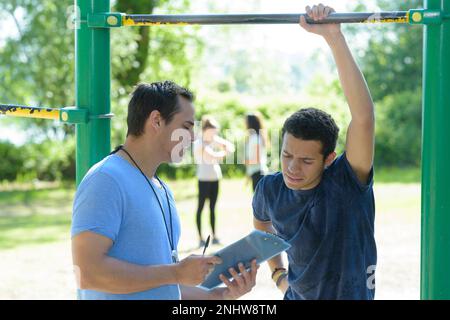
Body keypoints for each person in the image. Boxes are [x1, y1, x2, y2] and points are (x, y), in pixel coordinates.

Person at [71, 81, 257, 300]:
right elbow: (89, 274)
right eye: (187, 126)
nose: (194, 136)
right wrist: (176, 272)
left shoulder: (162, 189)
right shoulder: (106, 179)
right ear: (157, 120)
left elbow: (163, 284)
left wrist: (219, 295)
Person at [253, 4, 376, 300]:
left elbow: (364, 118)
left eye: (307, 160)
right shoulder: (270, 189)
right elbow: (261, 224)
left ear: (329, 159)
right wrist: (278, 274)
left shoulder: (346, 181)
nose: (293, 168)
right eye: (287, 156)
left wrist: (334, 38)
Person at [193, 116, 235, 248]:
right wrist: (223, 153)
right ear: (206, 130)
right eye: (213, 131)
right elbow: (211, 155)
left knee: (212, 208)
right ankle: (200, 237)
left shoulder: (212, 140)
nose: (214, 134)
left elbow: (230, 147)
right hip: (203, 179)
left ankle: (214, 236)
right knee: (201, 208)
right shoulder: (199, 143)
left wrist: (222, 145)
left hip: (215, 178)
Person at [244, 112, 269, 192]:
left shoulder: (255, 138)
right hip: (256, 173)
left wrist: (246, 161)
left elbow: (257, 160)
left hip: (258, 173)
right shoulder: (254, 137)